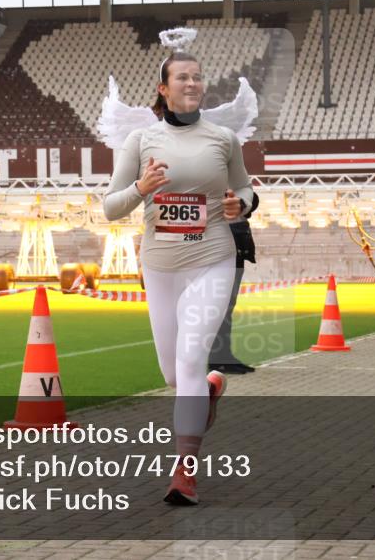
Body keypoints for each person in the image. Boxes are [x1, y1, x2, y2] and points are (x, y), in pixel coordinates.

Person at [103, 50, 253, 506]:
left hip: (211, 259)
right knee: (173, 375)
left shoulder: (223, 138)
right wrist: (141, 189)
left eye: (197, 77)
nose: (192, 83)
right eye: (182, 77)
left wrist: (241, 205)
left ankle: (184, 471)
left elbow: (245, 187)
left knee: (189, 361)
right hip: (160, 267)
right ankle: (207, 390)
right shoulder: (141, 140)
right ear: (163, 88)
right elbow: (110, 207)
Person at [208, 192, 259, 374]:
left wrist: (242, 200)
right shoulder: (213, 185)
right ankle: (216, 358)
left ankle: (223, 356)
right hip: (220, 249)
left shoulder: (237, 185)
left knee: (226, 308)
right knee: (218, 308)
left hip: (236, 249)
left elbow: (253, 201)